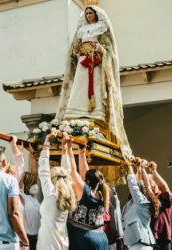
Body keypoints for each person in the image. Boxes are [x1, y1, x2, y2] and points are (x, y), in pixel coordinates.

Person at [56, 4, 132, 161]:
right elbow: (74, 49)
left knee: (96, 87)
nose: (89, 15)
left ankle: (95, 112)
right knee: (79, 87)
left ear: (96, 15)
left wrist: (98, 48)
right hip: (83, 63)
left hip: (96, 63)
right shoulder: (82, 30)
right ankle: (76, 112)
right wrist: (76, 51)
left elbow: (109, 51)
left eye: (91, 13)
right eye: (87, 13)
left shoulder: (102, 28)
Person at [66, 135, 109, 250]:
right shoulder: (101, 193)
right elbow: (86, 172)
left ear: (88, 181)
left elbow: (73, 171)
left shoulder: (86, 193)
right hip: (101, 239)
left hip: (85, 240)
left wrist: (68, 148)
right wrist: (81, 153)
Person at [36, 129, 77, 250]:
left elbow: (43, 169)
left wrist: (47, 141)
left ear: (52, 178)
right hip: (62, 242)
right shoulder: (68, 194)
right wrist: (64, 147)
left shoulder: (51, 195)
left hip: (47, 245)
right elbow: (67, 171)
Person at [122, 157, 159, 250]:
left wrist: (129, 165)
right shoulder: (140, 201)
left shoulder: (142, 201)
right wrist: (140, 167)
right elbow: (141, 184)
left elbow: (133, 184)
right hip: (137, 246)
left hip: (140, 247)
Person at [147, 162, 172, 250]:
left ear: (155, 184)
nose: (146, 185)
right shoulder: (146, 199)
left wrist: (154, 171)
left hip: (163, 239)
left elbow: (164, 187)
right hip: (150, 238)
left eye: (148, 182)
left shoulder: (163, 197)